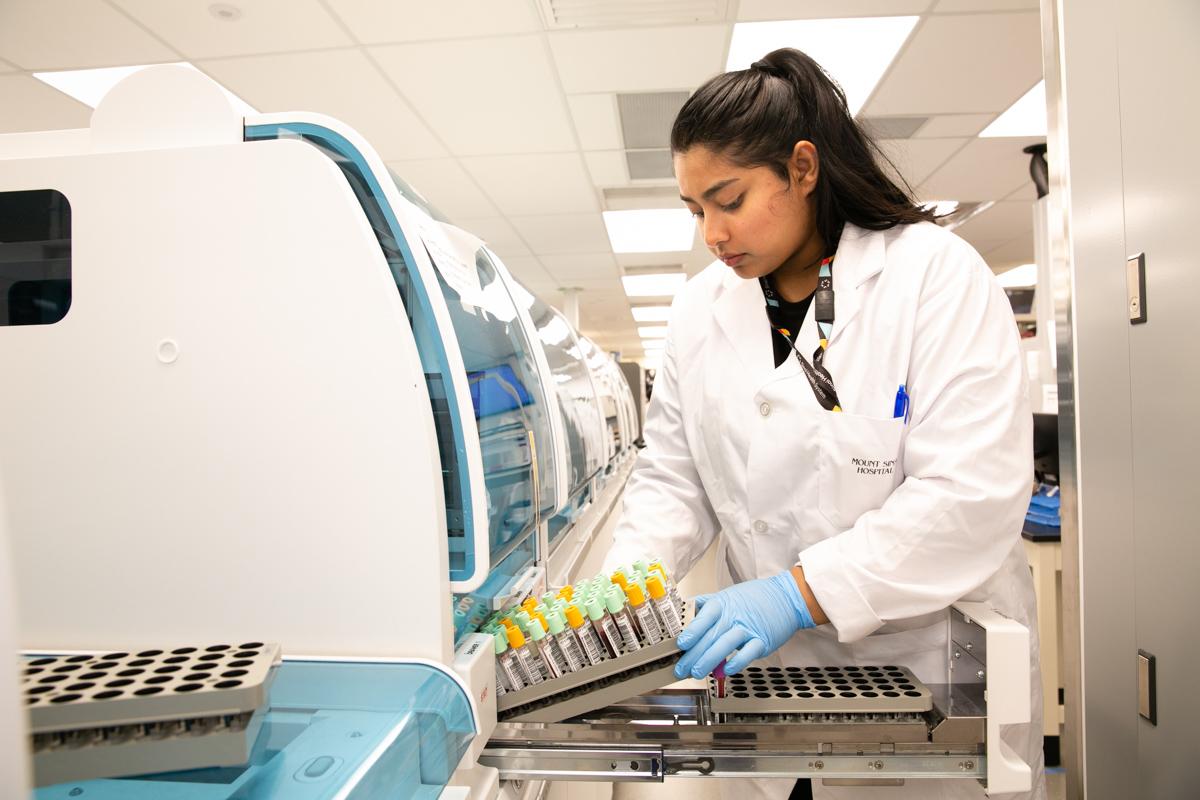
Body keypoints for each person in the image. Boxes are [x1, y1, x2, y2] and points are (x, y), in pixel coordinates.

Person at [603, 48, 1045, 800]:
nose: (711, 233)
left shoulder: (934, 277)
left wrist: (794, 594)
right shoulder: (700, 311)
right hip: (763, 692)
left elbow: (969, 495)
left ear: (802, 169)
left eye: (729, 199)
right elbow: (673, 480)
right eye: (695, 210)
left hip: (925, 681)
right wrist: (622, 589)